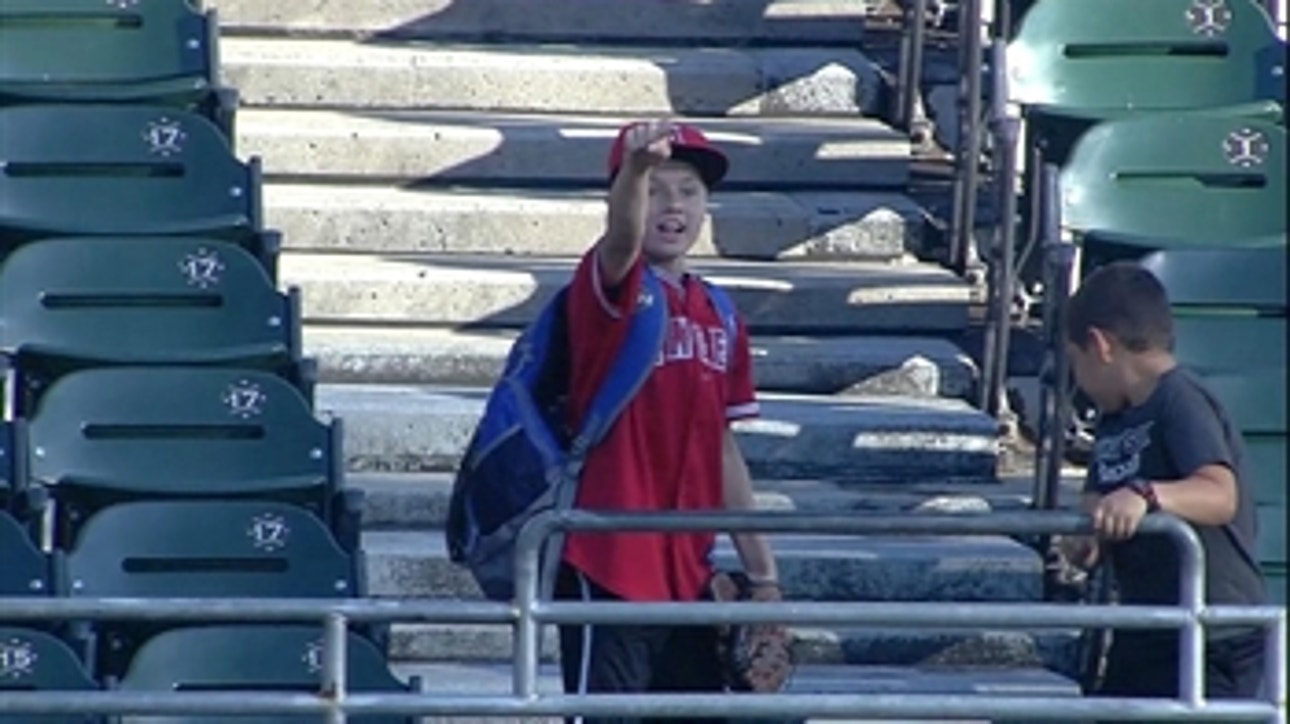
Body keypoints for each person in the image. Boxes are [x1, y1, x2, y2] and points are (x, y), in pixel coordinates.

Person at [554, 119, 780, 724]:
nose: (673, 205)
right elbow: (621, 240)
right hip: (609, 561)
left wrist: (764, 578)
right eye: (656, 188)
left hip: (691, 573)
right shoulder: (611, 288)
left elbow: (723, 450)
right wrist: (634, 168)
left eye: (688, 190)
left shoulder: (721, 313)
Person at [1058, 262, 1267, 705]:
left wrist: (1146, 496)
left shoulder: (1179, 399)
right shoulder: (1114, 419)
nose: (1077, 381)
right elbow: (1100, 494)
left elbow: (1219, 492)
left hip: (1212, 633)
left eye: (1075, 362)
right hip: (1148, 624)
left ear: (1100, 346)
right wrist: (1091, 536)